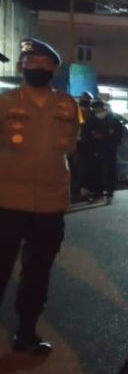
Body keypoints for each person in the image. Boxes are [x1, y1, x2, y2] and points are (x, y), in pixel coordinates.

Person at [0, 38, 79, 354]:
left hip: (50, 203)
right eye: (32, 63)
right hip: (7, 200)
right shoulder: (5, 103)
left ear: (54, 70)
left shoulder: (68, 106)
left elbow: (71, 146)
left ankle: (26, 332)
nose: (38, 69)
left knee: (37, 274)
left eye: (45, 65)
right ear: (22, 67)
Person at [81, 98, 123, 201]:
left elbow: (118, 134)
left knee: (108, 170)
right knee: (98, 171)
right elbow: (86, 134)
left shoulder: (112, 119)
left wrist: (105, 137)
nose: (96, 110)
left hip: (107, 149)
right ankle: (101, 192)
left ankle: (107, 192)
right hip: (98, 149)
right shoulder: (93, 120)